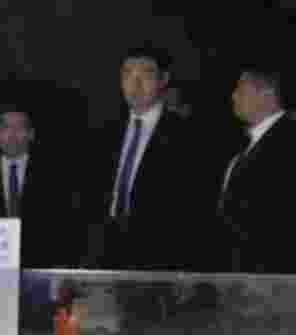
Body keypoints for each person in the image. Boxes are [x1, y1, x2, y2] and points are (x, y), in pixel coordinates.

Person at [96, 45, 202, 271]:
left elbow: (191, 210)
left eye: (145, 74)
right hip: (104, 253)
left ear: (163, 80)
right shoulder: (102, 131)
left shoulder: (187, 136)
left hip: (157, 259)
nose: (135, 84)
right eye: (127, 74)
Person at [0, 105, 82, 268]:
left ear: (31, 134)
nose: (12, 135)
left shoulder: (56, 176)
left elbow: (65, 227)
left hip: (41, 265)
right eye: (6, 128)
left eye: (20, 128)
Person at [218, 60, 295, 273]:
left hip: (269, 279)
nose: (234, 96)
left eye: (241, 89)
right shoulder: (246, 145)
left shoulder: (287, 145)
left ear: (267, 94)